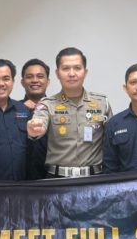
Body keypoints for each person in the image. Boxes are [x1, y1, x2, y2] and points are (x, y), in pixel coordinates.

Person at [28, 47, 112, 178]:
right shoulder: (47, 104)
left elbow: (111, 140)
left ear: (85, 72)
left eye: (77, 68)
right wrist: (34, 129)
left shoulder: (102, 103)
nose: (72, 74)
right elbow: (38, 121)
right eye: (66, 68)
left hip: (93, 179)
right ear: (57, 73)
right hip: (57, 180)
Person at [21, 58, 51, 179]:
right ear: (22, 82)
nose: (35, 80)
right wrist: (22, 109)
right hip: (19, 178)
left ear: (48, 81)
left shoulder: (58, 108)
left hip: (52, 177)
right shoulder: (12, 109)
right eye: (29, 77)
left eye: (40, 76)